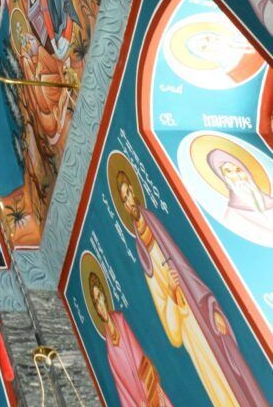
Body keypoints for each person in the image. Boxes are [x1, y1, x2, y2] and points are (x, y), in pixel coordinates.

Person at [113, 162, 265, 407]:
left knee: (235, 373)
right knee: (216, 385)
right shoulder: (143, 254)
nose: (130, 200)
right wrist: (174, 296)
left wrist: (212, 307)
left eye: (130, 192)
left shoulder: (156, 224)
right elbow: (170, 329)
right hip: (190, 329)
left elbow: (189, 272)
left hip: (202, 311)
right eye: (124, 198)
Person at [86, 263, 175, 407]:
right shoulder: (109, 347)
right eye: (96, 302)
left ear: (104, 297)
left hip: (147, 388)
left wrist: (149, 395)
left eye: (99, 297)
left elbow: (139, 357)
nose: (99, 305)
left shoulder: (121, 320)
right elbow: (122, 388)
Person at [203, 146, 273, 241]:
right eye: (228, 171)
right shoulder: (233, 215)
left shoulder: (269, 201)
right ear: (222, 176)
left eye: (238, 170)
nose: (237, 175)